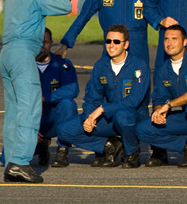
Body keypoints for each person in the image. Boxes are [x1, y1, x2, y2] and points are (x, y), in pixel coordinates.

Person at [0, 0, 72, 183]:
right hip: (22, 55)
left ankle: (12, 161)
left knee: (13, 112)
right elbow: (65, 5)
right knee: (30, 109)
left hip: (6, 54)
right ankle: (20, 162)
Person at [56, 24, 150, 168]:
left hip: (133, 117)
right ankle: (110, 146)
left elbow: (133, 101)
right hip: (109, 118)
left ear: (126, 45)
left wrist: (102, 109)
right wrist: (89, 117)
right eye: (108, 41)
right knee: (64, 130)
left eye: (116, 42)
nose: (111, 45)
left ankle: (132, 153)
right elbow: (92, 97)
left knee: (123, 115)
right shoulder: (101, 65)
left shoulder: (139, 66)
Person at [0, 28, 79, 168]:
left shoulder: (62, 64)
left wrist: (45, 98)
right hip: (32, 120)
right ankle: (42, 147)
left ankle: (62, 149)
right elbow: (15, 103)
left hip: (54, 118)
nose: (42, 46)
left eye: (45, 42)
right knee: (7, 158)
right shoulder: (23, 67)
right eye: (37, 43)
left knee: (68, 104)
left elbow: (72, 89)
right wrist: (29, 128)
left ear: (51, 43)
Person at [136, 25, 187, 169]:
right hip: (184, 118)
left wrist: (169, 105)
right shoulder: (164, 69)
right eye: (166, 39)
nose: (169, 43)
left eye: (174, 39)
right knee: (142, 129)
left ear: (185, 42)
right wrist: (158, 111)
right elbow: (159, 97)